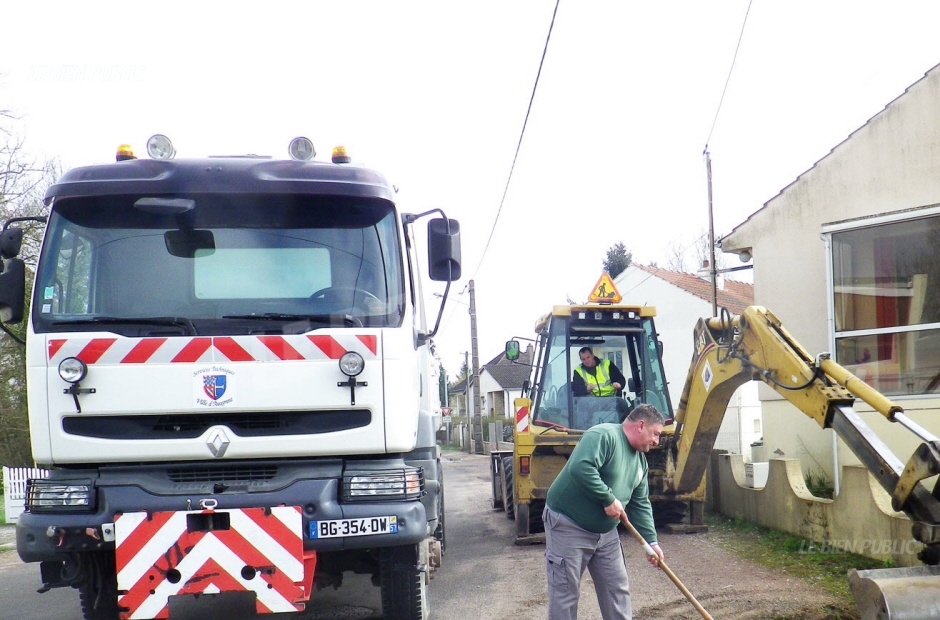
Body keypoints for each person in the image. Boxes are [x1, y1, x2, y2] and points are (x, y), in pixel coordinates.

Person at [543, 404, 666, 620]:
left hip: (606, 534)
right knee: (566, 593)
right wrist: (607, 499)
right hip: (568, 525)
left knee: (616, 589)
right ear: (641, 425)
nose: (657, 441)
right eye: (655, 434)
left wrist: (651, 542)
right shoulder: (603, 436)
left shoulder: (640, 462)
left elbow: (640, 503)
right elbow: (581, 466)